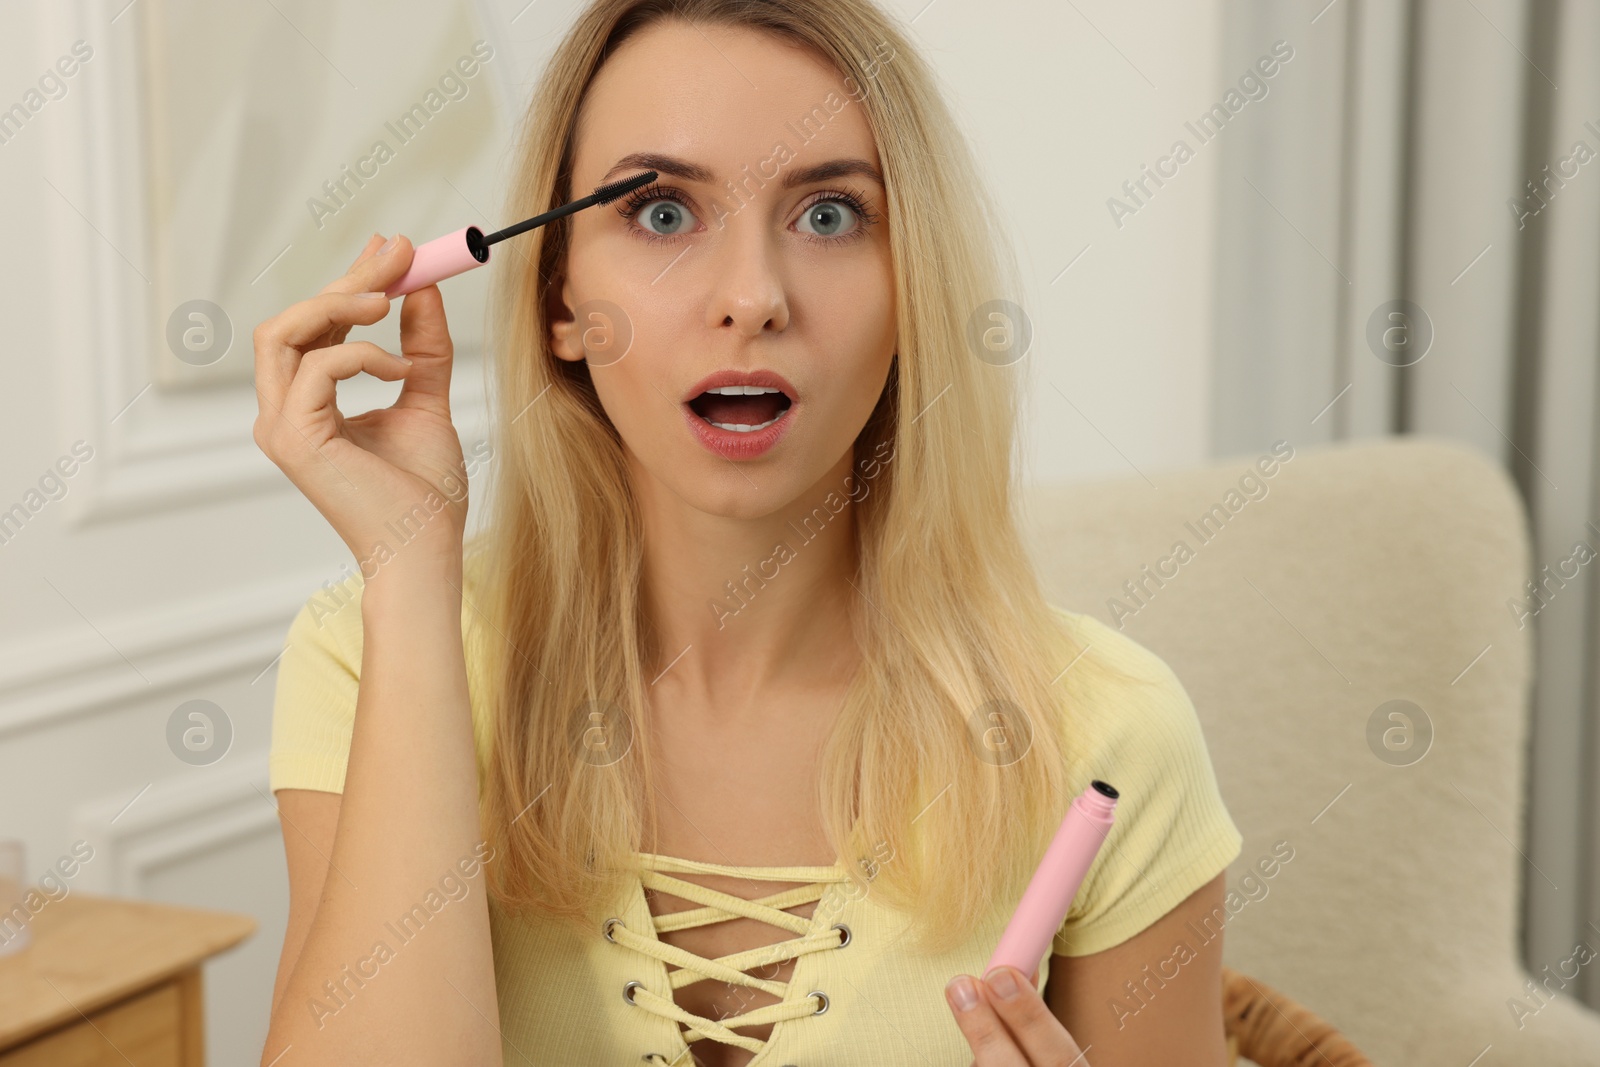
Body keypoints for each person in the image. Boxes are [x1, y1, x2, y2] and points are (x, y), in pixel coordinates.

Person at [252, 1, 1244, 1064]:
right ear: (559, 299)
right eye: (663, 213)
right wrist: (411, 577)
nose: (752, 298)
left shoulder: (1110, 734)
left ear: (913, 290)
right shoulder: (371, 653)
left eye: (828, 216)